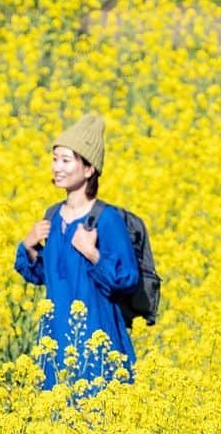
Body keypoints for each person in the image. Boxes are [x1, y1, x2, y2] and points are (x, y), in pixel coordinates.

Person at [14, 113, 139, 392]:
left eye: (66, 160)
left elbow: (128, 278)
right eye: (55, 159)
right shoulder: (52, 216)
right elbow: (45, 274)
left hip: (98, 339)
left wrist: (92, 253)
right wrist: (30, 246)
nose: (57, 167)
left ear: (88, 169)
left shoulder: (106, 219)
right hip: (56, 339)